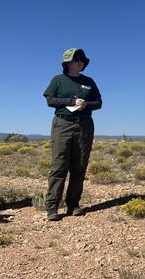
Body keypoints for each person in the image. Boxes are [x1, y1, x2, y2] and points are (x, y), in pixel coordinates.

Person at [43, 48, 102, 221]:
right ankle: (52, 207)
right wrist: (71, 101)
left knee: (79, 165)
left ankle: (73, 204)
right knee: (59, 165)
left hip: (84, 125)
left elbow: (99, 103)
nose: (80, 62)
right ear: (68, 62)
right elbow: (50, 100)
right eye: (76, 59)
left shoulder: (89, 81)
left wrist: (86, 104)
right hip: (63, 124)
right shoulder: (58, 80)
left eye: (82, 59)